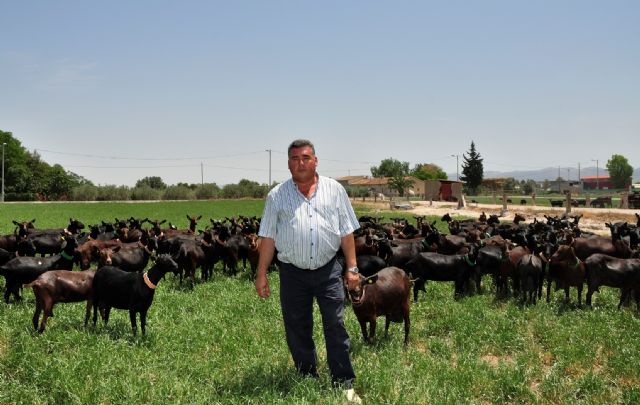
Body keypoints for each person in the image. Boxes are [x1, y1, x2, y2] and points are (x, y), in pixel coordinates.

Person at [255, 139, 362, 404]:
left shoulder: (334, 190)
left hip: (328, 271)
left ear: (315, 161)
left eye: (305, 158)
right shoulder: (277, 195)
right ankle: (307, 376)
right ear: (288, 163)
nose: (300, 163)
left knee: (335, 325)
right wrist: (261, 273)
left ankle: (344, 382)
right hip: (292, 273)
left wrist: (352, 268)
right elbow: (267, 237)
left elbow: (346, 231)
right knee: (297, 327)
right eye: (294, 159)